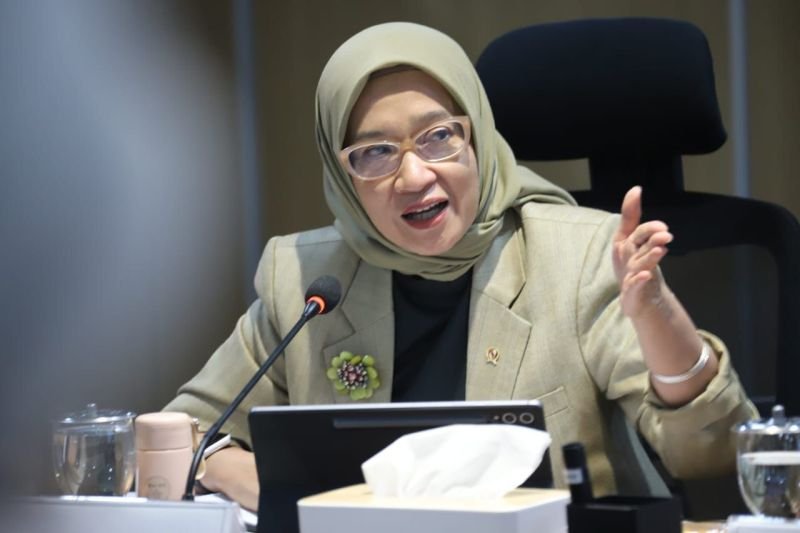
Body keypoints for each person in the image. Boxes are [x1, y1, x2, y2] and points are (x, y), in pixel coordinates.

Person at [164, 21, 757, 511]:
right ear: (342, 175)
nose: (414, 176)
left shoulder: (578, 257)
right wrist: (247, 478)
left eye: (438, 136)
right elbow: (177, 435)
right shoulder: (304, 279)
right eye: (375, 152)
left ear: (477, 136)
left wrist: (655, 316)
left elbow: (712, 454)